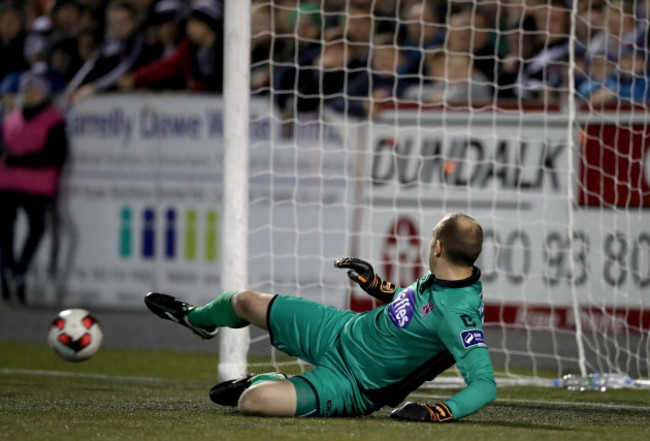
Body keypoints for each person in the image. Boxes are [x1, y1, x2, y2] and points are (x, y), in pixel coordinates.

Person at [145, 213, 496, 420]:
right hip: (341, 329)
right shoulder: (448, 278)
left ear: (438, 247)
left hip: (355, 384)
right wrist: (375, 285)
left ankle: (264, 380)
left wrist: (438, 412)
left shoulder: (459, 314)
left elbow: (485, 384)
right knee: (246, 302)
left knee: (256, 401)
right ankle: (199, 318)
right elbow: (414, 306)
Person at [0, 71, 68, 306]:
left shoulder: (53, 119)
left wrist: (18, 160)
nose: (30, 94)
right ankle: (7, 270)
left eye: (35, 89)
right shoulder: (12, 118)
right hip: (8, 182)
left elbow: (57, 154)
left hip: (38, 184)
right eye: (27, 89)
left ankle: (19, 270)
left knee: (36, 228)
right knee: (5, 228)